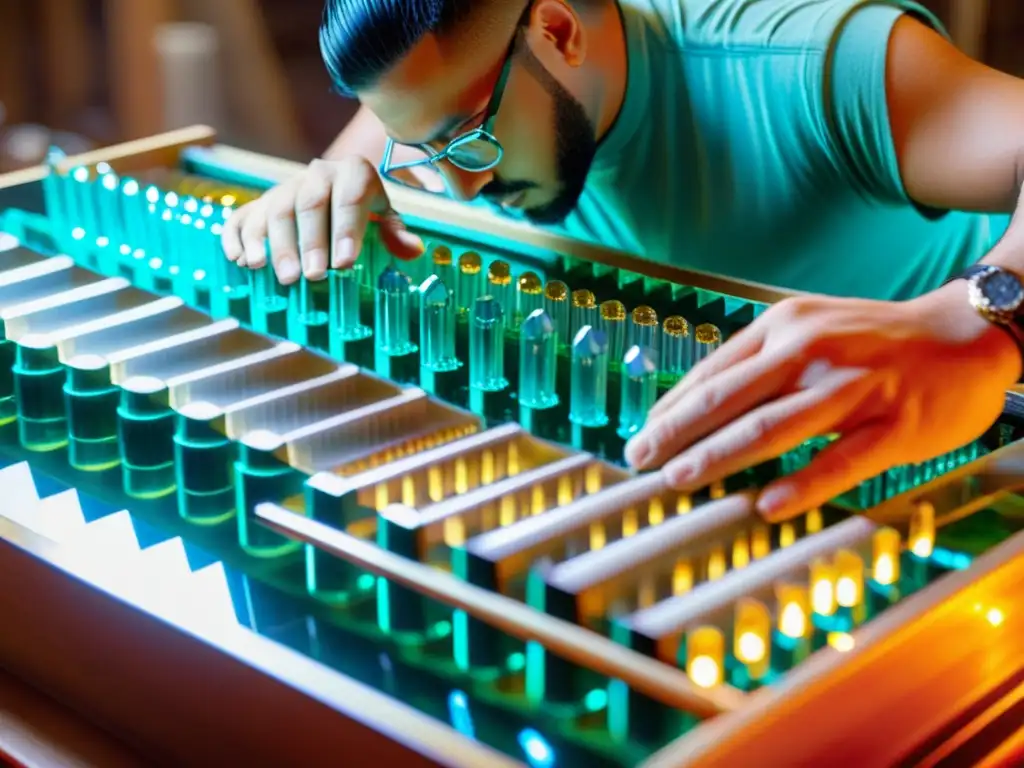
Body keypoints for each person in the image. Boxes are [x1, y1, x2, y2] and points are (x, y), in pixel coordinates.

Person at [221, 0, 1024, 521]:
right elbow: (390, 142)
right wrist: (317, 194)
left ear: (558, 31)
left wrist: (978, 319)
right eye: (418, 150)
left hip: (929, 473)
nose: (457, 184)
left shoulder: (811, 71)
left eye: (469, 138)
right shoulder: (443, 95)